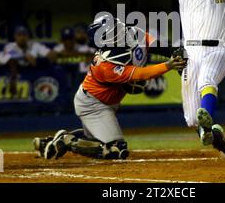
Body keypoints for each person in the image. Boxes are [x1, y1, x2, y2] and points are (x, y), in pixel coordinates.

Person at [108, 0, 225, 158]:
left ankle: (207, 118)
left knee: (207, 81)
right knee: (191, 118)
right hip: (190, 52)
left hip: (218, 48)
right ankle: (215, 134)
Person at [33, 16, 185, 160]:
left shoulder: (132, 33)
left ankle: (51, 142)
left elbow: (152, 43)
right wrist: (169, 65)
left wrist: (172, 51)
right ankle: (68, 142)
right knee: (116, 149)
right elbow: (141, 74)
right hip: (92, 105)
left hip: (107, 101)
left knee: (92, 139)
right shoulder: (105, 64)